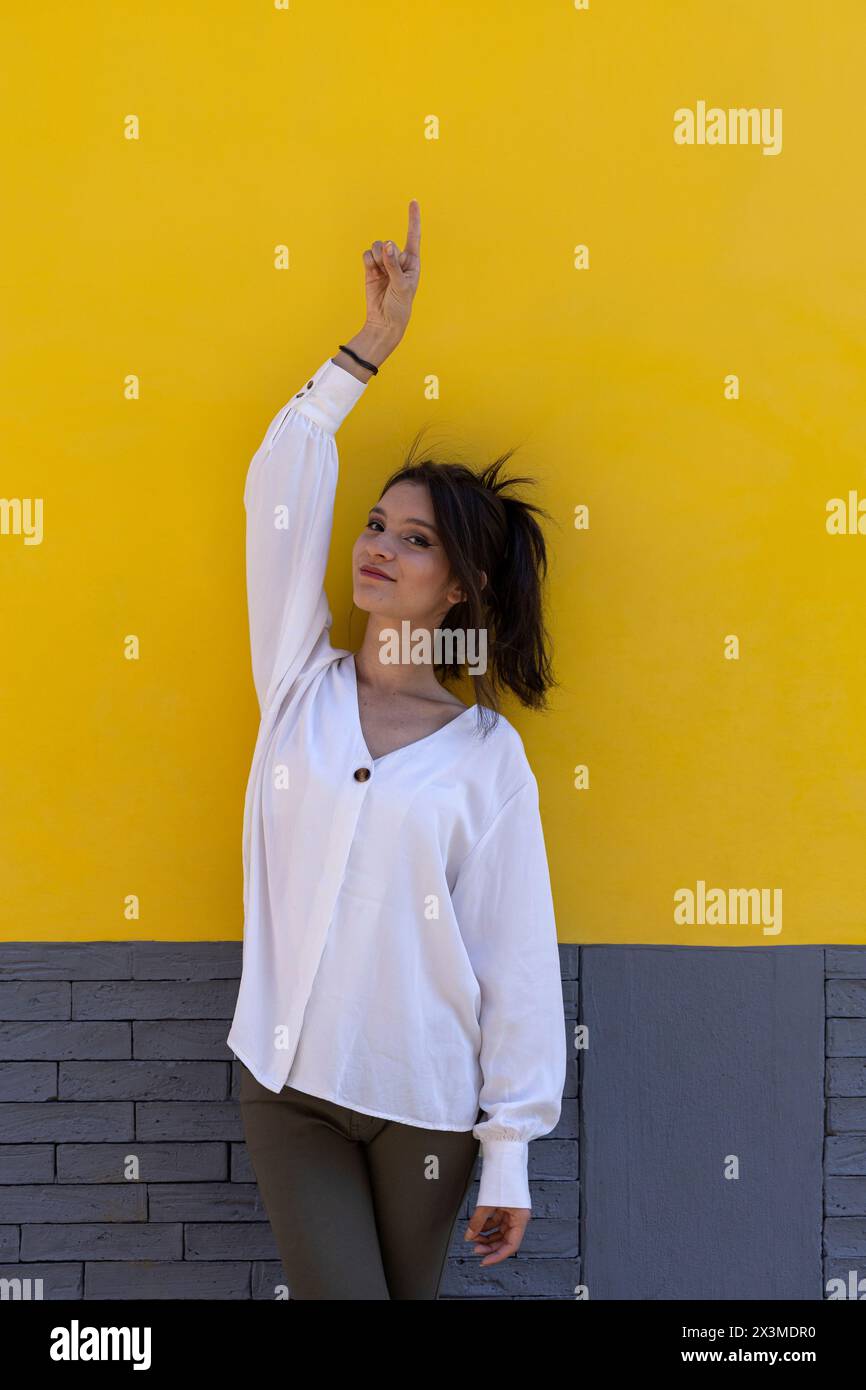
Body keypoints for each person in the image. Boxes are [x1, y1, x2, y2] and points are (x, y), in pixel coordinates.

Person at [229, 199, 567, 1300]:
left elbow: (514, 954)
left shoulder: (484, 758)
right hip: (289, 1084)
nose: (376, 547)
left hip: (425, 1105)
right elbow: (280, 482)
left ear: (460, 585)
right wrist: (366, 349)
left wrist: (508, 1145)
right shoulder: (299, 687)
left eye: (413, 541)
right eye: (376, 524)